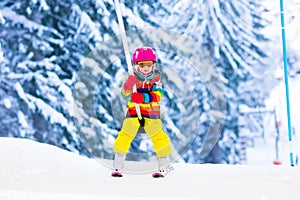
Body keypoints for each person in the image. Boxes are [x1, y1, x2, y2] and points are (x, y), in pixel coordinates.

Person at [112, 47, 172, 177]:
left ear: (153, 64)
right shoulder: (132, 77)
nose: (146, 68)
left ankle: (164, 164)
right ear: (136, 65)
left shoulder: (156, 79)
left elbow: (158, 96)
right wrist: (129, 85)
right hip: (133, 112)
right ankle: (118, 164)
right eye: (142, 64)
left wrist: (143, 98)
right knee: (125, 134)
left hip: (151, 113)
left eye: (149, 64)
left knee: (157, 135)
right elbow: (124, 94)